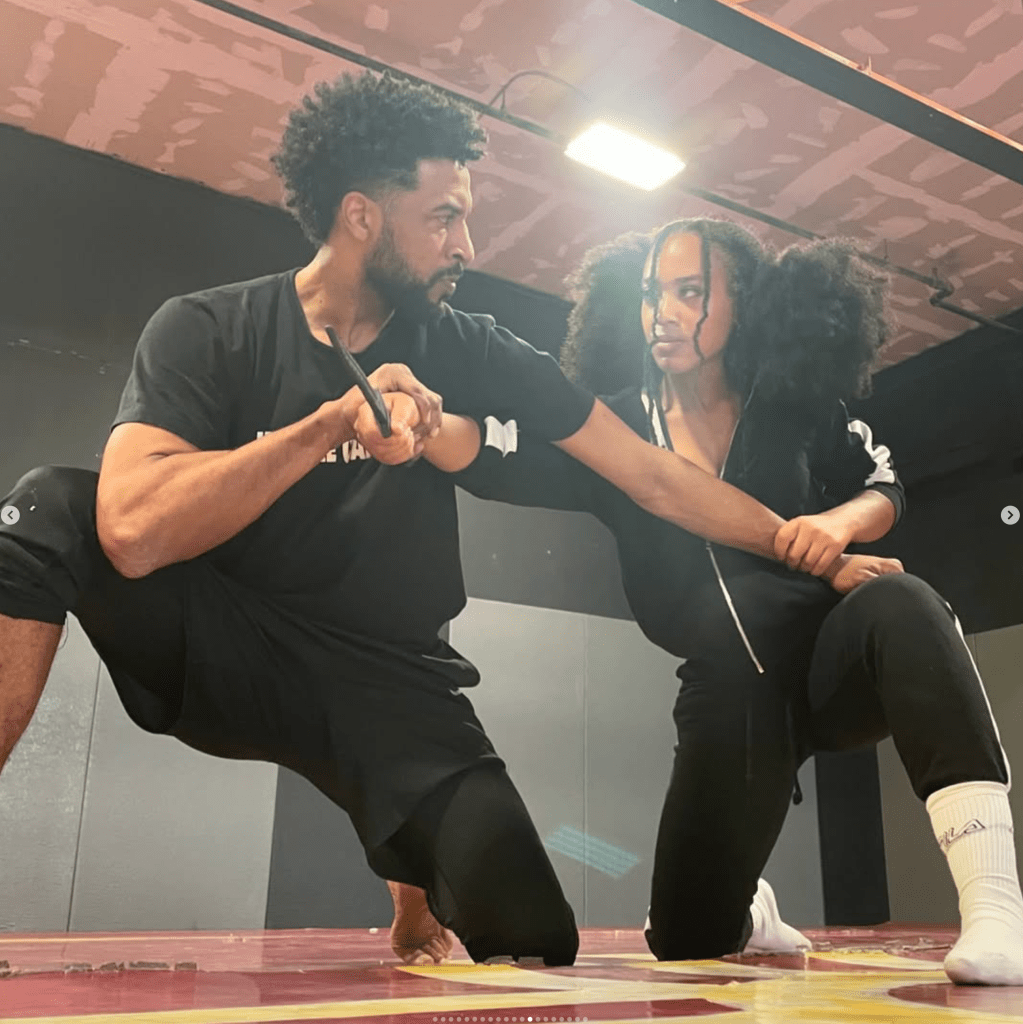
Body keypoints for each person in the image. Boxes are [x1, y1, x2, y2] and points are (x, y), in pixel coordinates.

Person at [0, 73, 842, 969]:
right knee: (51, 505)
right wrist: (327, 425)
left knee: (533, 940)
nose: (467, 244)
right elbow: (130, 528)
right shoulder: (208, 329)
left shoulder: (468, 346)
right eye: (443, 217)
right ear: (362, 215)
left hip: (387, 680)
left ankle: (418, 896)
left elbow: (653, 477)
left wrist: (811, 550)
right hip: (226, 641)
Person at [371, 219, 1022, 985]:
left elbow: (882, 483)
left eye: (689, 292)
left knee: (902, 602)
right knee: (683, 936)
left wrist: (836, 526)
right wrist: (421, 423)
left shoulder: (792, 406)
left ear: (741, 305)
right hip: (728, 696)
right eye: (653, 294)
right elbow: (490, 449)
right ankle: (751, 910)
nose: (664, 313)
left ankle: (996, 909)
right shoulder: (609, 426)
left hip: (828, 662)